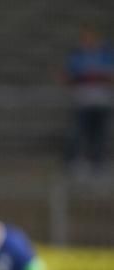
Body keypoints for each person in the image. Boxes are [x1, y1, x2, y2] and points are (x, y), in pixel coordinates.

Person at [64, 25, 114, 175]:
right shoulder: (77, 56)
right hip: (83, 101)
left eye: (92, 38)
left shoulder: (106, 55)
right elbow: (70, 76)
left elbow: (110, 76)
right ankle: (77, 162)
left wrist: (95, 75)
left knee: (99, 134)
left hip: (102, 101)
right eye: (86, 39)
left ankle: (97, 163)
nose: (89, 42)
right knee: (80, 133)